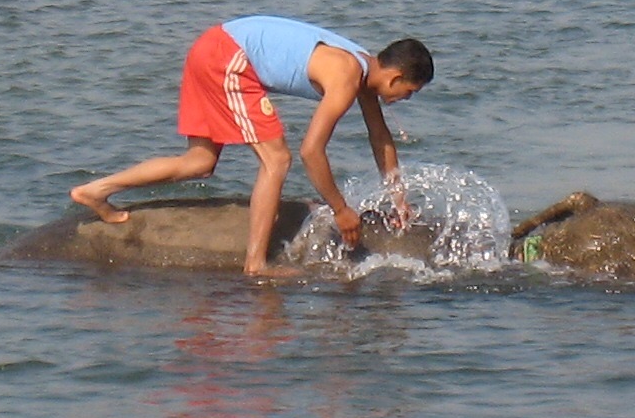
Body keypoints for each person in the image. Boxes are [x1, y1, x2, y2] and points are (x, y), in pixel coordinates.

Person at [71, 16, 434, 277]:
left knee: (199, 161)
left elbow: (380, 137)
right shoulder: (346, 74)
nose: (405, 99)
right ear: (396, 76)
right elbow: (312, 151)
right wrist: (341, 210)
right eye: (409, 92)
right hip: (227, 58)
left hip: (213, 46)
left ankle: (95, 191)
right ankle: (256, 264)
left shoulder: (363, 68)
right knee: (277, 159)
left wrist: (399, 199)